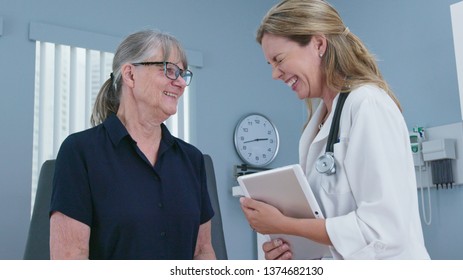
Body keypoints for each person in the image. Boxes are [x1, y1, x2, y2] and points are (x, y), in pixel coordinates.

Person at [240, 0, 430, 260]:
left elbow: (383, 232)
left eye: (279, 59)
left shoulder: (368, 105)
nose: (275, 74)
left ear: (318, 44)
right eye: (270, 64)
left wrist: (284, 224)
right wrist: (291, 250)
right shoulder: (318, 124)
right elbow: (332, 230)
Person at [50, 29, 216, 260]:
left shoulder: (192, 159)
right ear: (130, 75)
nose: (180, 83)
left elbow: (202, 251)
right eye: (169, 70)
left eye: (183, 74)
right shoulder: (80, 151)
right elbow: (70, 257)